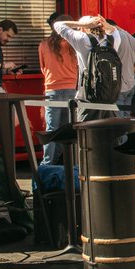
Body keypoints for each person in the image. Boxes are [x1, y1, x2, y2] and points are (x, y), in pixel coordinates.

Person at [52, 14, 124, 122]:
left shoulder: (82, 39)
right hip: (109, 98)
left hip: (87, 99)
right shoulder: (113, 41)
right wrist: (105, 24)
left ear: (83, 28)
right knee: (109, 134)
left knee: (85, 134)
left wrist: (82, 24)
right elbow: (114, 30)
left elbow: (57, 24)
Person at [37, 11, 79, 165]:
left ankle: (48, 163)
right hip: (71, 89)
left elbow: (43, 68)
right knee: (68, 128)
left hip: (52, 89)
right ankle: (66, 160)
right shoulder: (74, 44)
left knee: (51, 128)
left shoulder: (43, 44)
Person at [107, 18, 135, 116]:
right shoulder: (133, 38)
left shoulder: (112, 38)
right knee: (126, 120)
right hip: (131, 85)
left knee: (118, 122)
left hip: (118, 86)